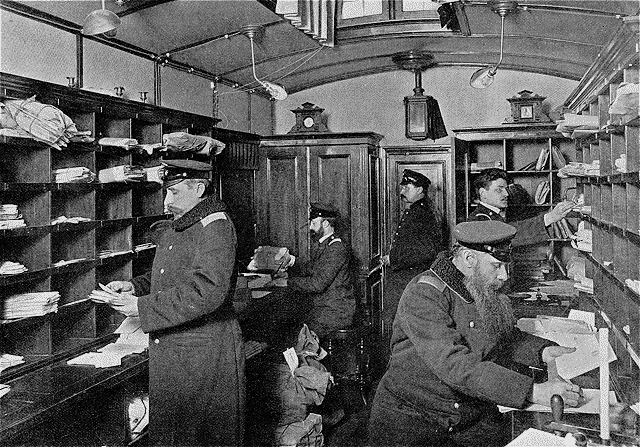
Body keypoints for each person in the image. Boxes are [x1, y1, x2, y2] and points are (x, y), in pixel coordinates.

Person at [368, 220, 584, 447]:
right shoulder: (424, 294)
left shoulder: (477, 286)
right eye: (496, 266)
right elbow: (455, 364)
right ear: (469, 258)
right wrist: (533, 391)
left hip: (465, 413)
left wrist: (544, 351)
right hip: (415, 420)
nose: (504, 276)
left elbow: (503, 336)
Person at [104, 159, 245, 447]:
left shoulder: (215, 226)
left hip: (202, 353)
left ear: (199, 188)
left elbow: (206, 290)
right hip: (177, 350)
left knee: (199, 437)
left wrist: (141, 307)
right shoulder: (183, 224)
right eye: (166, 192)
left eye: (175, 192)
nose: (167, 202)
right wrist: (135, 286)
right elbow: (172, 275)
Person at [276, 202, 356, 339]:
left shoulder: (336, 248)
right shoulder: (326, 245)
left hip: (336, 312)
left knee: (290, 332)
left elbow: (318, 284)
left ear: (325, 223)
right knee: (288, 323)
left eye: (313, 223)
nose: (310, 227)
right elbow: (313, 268)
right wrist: (292, 260)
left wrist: (287, 283)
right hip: (325, 308)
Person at [381, 169, 442, 328]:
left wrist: (393, 259)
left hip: (410, 278)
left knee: (401, 323)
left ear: (420, 190)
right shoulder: (416, 210)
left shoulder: (422, 214)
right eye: (402, 188)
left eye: (407, 188)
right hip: (405, 276)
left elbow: (427, 251)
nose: (402, 192)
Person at [468, 168, 575, 246]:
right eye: (499, 189)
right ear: (483, 193)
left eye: (506, 189)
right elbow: (508, 233)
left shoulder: (495, 213)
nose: (506, 194)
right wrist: (550, 217)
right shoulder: (478, 218)